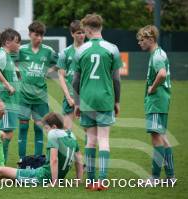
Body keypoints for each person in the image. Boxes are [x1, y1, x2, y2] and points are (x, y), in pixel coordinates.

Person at [0, 112, 83, 186]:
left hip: (42, 177)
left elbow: (54, 160)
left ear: (53, 127)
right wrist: (79, 180)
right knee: (5, 178)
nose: (46, 131)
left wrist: (53, 183)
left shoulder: (54, 134)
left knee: (0, 171)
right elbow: (79, 159)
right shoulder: (71, 135)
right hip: (45, 175)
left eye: (46, 128)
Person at [72, 14, 122, 191]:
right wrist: (117, 101)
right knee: (104, 139)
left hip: (86, 100)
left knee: (90, 140)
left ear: (87, 29)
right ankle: (102, 180)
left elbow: (75, 81)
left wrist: (77, 103)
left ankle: (91, 180)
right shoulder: (113, 49)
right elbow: (116, 80)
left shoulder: (80, 50)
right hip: (105, 99)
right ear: (100, 28)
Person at [137, 25, 175, 184]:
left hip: (157, 101)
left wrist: (152, 88)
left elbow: (162, 74)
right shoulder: (158, 54)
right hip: (161, 100)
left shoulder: (158, 56)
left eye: (142, 40)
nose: (139, 43)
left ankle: (155, 177)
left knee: (156, 138)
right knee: (163, 138)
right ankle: (171, 177)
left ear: (151, 39)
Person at [17, 21, 58, 160]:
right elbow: (8, 60)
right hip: (23, 96)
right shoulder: (21, 50)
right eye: (36, 35)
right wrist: (17, 71)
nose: (39, 38)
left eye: (41, 36)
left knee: (39, 128)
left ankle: (38, 159)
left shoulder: (48, 51)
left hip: (40, 97)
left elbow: (59, 63)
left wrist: (49, 71)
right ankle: (22, 160)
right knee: (23, 128)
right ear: (30, 34)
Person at [0, 28, 21, 164]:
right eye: (17, 42)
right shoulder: (2, 54)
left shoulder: (7, 56)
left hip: (11, 101)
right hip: (6, 101)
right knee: (4, 134)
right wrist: (8, 85)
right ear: (8, 42)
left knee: (5, 134)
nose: (19, 45)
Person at [57, 20, 85, 130]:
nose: (82, 35)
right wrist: (68, 97)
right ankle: (71, 148)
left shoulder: (89, 51)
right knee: (66, 129)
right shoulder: (65, 52)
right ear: (72, 34)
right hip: (70, 97)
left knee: (88, 130)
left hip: (86, 96)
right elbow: (61, 76)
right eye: (78, 33)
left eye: (83, 32)